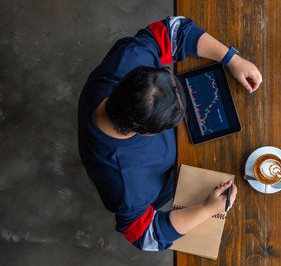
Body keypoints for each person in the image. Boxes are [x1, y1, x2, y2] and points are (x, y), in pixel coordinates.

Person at [78, 16, 262, 251]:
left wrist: (232, 58)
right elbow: (146, 236)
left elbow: (176, 30)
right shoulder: (127, 187)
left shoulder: (129, 57)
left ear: (136, 75)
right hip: (172, 180)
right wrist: (207, 209)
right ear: (144, 133)